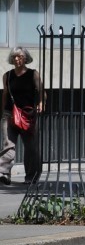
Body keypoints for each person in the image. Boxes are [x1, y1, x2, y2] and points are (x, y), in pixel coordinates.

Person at [2, 46, 45, 184]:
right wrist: (3, 111)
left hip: (29, 115)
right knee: (8, 144)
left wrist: (41, 103)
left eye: (19, 56)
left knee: (31, 147)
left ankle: (31, 176)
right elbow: (5, 94)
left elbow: (42, 91)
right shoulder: (7, 76)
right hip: (10, 114)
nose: (16, 59)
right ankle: (4, 173)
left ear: (25, 58)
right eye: (14, 56)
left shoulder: (33, 74)